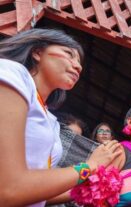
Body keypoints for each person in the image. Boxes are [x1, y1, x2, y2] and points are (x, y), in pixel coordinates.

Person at [0, 29, 122, 206]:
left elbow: (39, 193)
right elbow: (9, 189)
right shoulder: (13, 73)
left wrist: (94, 184)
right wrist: (89, 166)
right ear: (38, 52)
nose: (78, 66)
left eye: (79, 62)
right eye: (69, 54)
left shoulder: (52, 122)